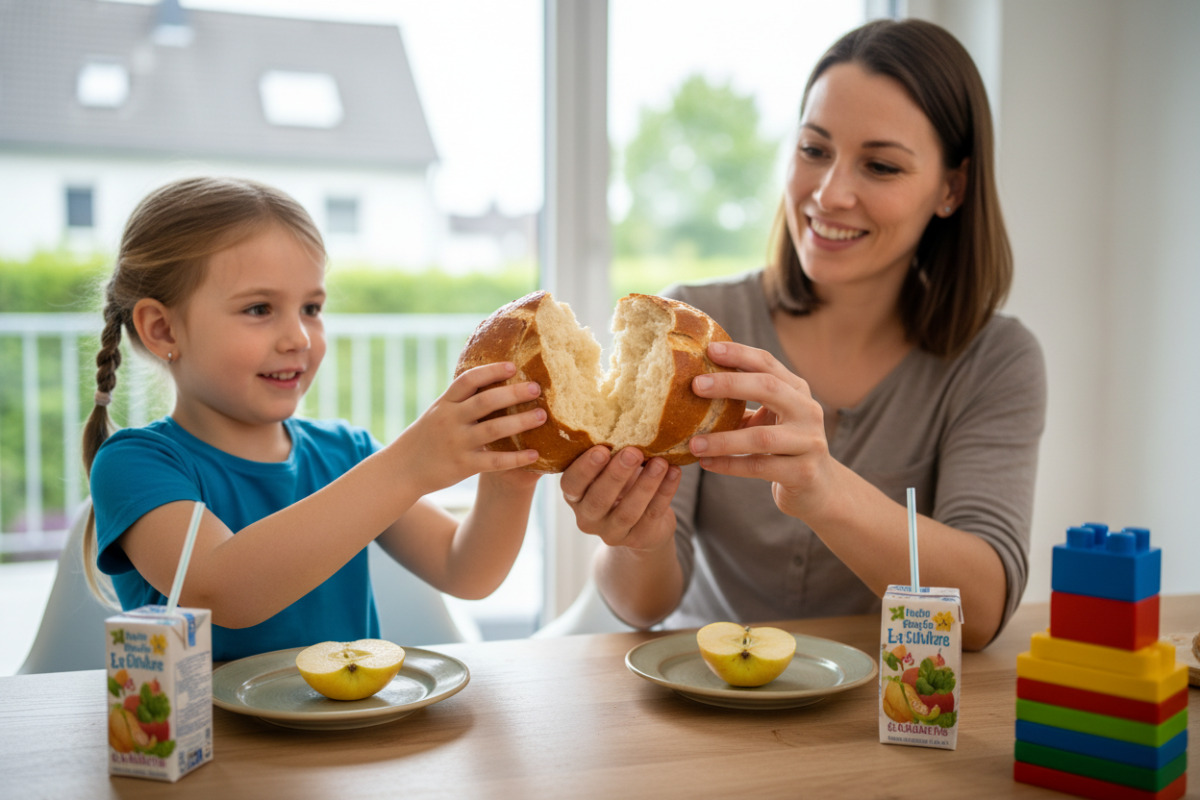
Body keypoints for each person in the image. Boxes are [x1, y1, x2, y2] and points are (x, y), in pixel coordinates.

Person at [560, 18, 1046, 651]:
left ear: (951, 189)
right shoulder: (694, 326)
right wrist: (636, 537)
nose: (829, 193)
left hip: (879, 719)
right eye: (814, 150)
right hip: (708, 700)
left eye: (880, 166)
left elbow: (979, 615)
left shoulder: (996, 360)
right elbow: (642, 607)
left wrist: (822, 487)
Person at [81, 176, 546, 662]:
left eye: (311, 308)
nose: (299, 337)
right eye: (259, 308)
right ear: (161, 329)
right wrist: (409, 465)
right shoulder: (133, 464)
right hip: (206, 739)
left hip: (350, 737)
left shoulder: (347, 453)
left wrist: (510, 483)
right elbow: (223, 590)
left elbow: (464, 570)